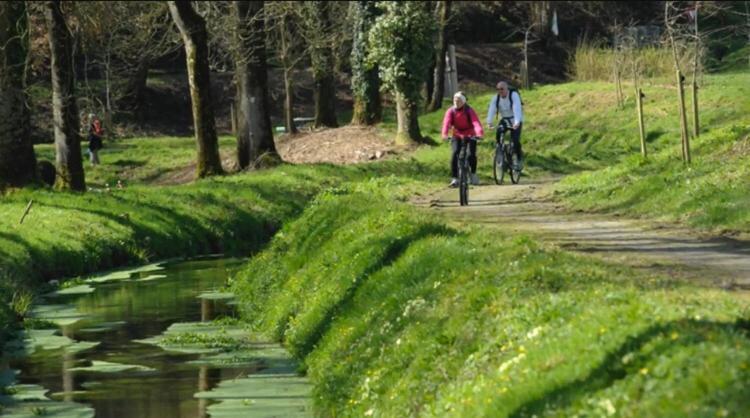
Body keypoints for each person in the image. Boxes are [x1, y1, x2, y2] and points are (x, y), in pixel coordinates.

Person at [442, 91, 484, 187]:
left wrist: (479, 133)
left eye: (459, 100)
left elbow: (476, 123)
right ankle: (455, 178)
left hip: (470, 134)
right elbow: (446, 123)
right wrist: (444, 134)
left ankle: (473, 174)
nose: (456, 102)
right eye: (455, 100)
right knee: (455, 153)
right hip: (457, 134)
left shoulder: (469, 110)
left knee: (471, 154)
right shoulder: (450, 111)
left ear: (463, 101)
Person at [486, 81, 524, 169]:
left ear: (507, 89)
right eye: (498, 89)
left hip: (515, 118)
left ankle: (519, 158)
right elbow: (492, 109)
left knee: (515, 140)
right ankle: (500, 155)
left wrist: (517, 122)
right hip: (505, 119)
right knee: (499, 134)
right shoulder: (496, 98)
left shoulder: (513, 95)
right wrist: (489, 122)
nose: (500, 91)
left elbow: (516, 108)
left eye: (502, 89)